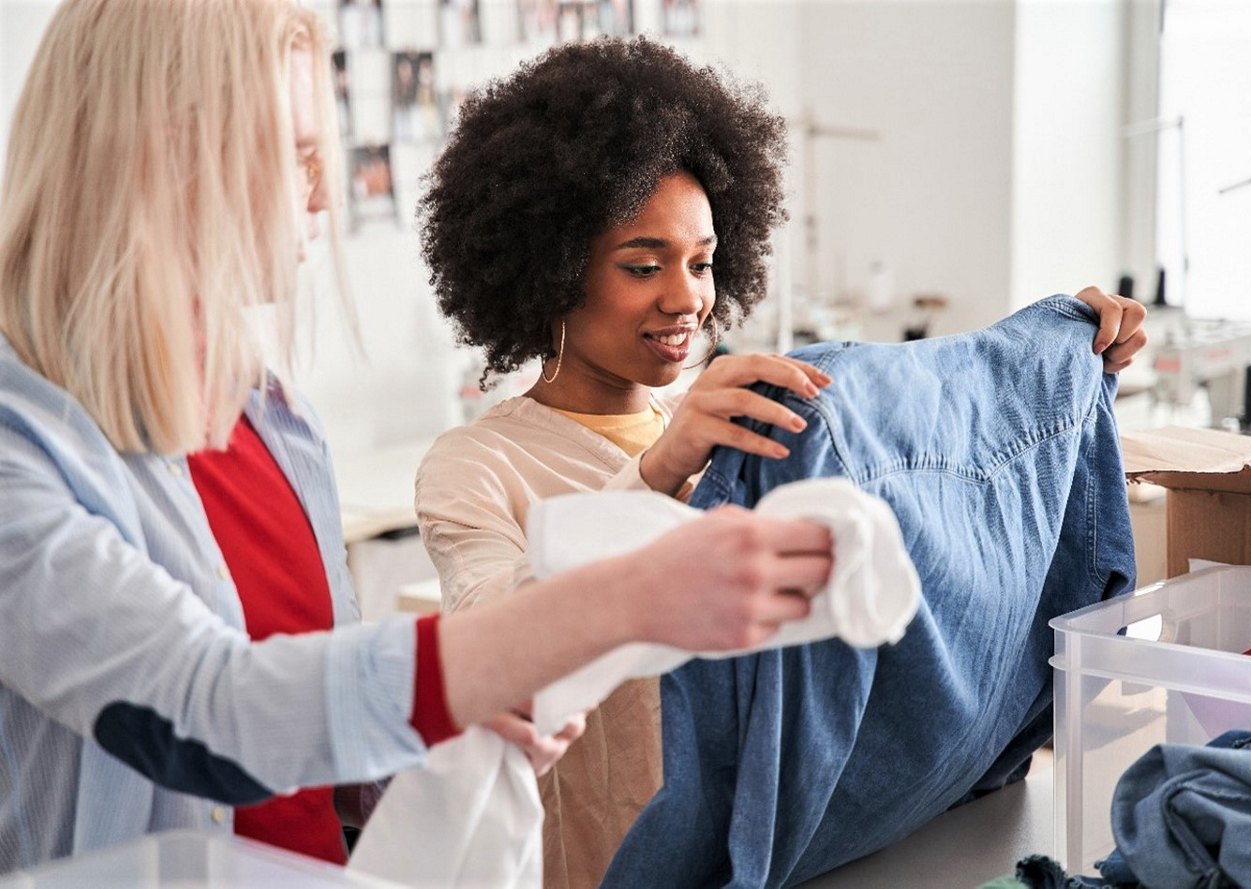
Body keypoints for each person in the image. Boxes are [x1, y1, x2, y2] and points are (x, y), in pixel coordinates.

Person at [0, 1, 834, 876]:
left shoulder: (273, 420)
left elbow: (327, 743)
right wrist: (619, 597)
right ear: (167, 152)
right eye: (298, 155)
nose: (323, 192)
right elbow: (210, 712)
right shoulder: (23, 447)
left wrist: (446, 731)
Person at [413, 37, 1149, 888]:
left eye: (701, 262)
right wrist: (656, 472)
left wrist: (1061, 372)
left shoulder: (751, 431)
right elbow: (485, 651)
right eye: (642, 265)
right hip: (601, 857)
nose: (686, 296)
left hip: (778, 847)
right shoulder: (477, 464)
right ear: (547, 273)